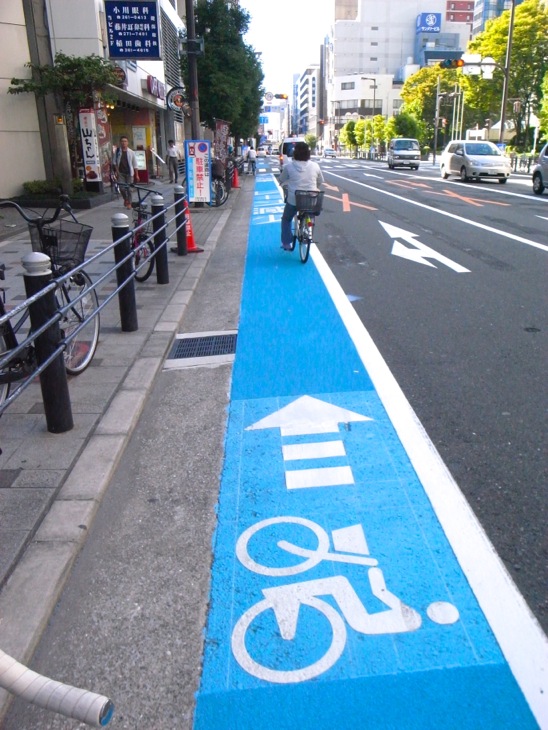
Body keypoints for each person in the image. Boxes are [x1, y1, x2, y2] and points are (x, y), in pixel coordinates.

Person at [279, 141, 324, 251]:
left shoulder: (289, 166)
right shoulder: (315, 165)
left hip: (294, 199)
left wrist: (285, 185)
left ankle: (286, 243)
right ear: (308, 154)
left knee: (286, 219)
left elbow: (281, 180)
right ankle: (308, 229)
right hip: (311, 199)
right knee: (310, 211)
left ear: (295, 153)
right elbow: (320, 181)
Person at [112, 136, 139, 209]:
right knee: (122, 188)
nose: (124, 143)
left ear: (127, 143)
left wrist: (137, 175)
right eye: (122, 141)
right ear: (120, 142)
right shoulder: (117, 151)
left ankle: (129, 203)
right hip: (120, 173)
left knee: (129, 189)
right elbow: (114, 163)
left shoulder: (131, 152)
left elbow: (135, 164)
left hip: (129, 173)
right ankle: (125, 199)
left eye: (125, 141)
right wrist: (117, 172)